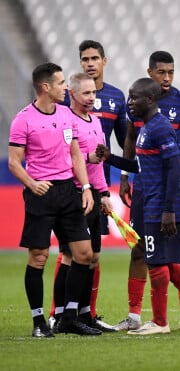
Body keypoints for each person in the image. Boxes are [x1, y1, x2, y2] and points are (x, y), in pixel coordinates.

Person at [99, 78, 180, 335]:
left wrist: (167, 210)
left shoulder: (160, 128)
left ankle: (160, 322)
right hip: (152, 200)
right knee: (161, 259)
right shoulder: (147, 127)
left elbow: (174, 167)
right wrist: (112, 159)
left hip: (161, 204)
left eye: (135, 98)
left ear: (150, 100)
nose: (130, 102)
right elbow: (142, 167)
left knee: (156, 262)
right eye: (129, 97)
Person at [8, 63, 100, 337]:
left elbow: (75, 155)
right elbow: (14, 162)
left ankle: (69, 317)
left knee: (84, 254)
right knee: (39, 257)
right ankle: (38, 322)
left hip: (68, 192)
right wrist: (32, 184)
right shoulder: (23, 119)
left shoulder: (65, 115)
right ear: (46, 87)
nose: (66, 88)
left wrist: (85, 187)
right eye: (61, 83)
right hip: (41, 194)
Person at [49, 40, 127, 329]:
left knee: (91, 255)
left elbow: (97, 161)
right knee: (71, 254)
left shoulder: (95, 119)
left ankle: (82, 313)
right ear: (72, 93)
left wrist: (105, 191)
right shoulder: (63, 118)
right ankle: (60, 314)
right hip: (70, 192)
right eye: (87, 92)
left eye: (95, 92)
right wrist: (86, 164)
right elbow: (65, 155)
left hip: (93, 193)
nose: (93, 96)